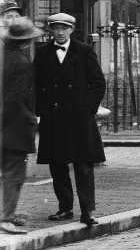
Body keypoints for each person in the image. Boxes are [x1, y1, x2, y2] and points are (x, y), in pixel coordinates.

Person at [32, 13, 106, 226]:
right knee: (57, 165)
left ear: (72, 30)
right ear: (51, 30)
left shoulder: (84, 51)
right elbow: (35, 84)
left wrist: (87, 108)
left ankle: (87, 210)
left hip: (79, 118)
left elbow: (98, 82)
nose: (60, 32)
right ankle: (65, 208)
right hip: (53, 117)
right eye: (56, 28)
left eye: (64, 28)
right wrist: (42, 109)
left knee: (83, 165)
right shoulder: (43, 53)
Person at [1, 15, 43, 234]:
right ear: (27, 40)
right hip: (13, 130)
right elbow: (13, 99)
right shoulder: (22, 62)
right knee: (14, 176)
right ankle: (6, 219)